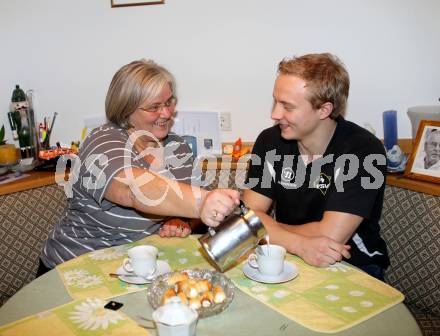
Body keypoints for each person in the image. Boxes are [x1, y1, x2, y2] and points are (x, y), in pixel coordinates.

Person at [38, 59, 239, 274]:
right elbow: (134, 190)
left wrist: (184, 221)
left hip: (137, 267)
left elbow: (197, 208)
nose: (167, 114)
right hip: (75, 267)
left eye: (169, 102)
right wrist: (200, 203)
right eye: (154, 107)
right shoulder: (103, 143)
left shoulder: (177, 146)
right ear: (126, 111)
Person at [243, 53, 389, 280]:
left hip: (353, 266)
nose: (275, 114)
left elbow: (331, 236)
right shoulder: (269, 141)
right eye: (275, 101)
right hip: (285, 256)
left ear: (324, 110)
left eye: (287, 106)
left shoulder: (364, 151)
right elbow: (248, 219)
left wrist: (270, 228)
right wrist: (299, 244)